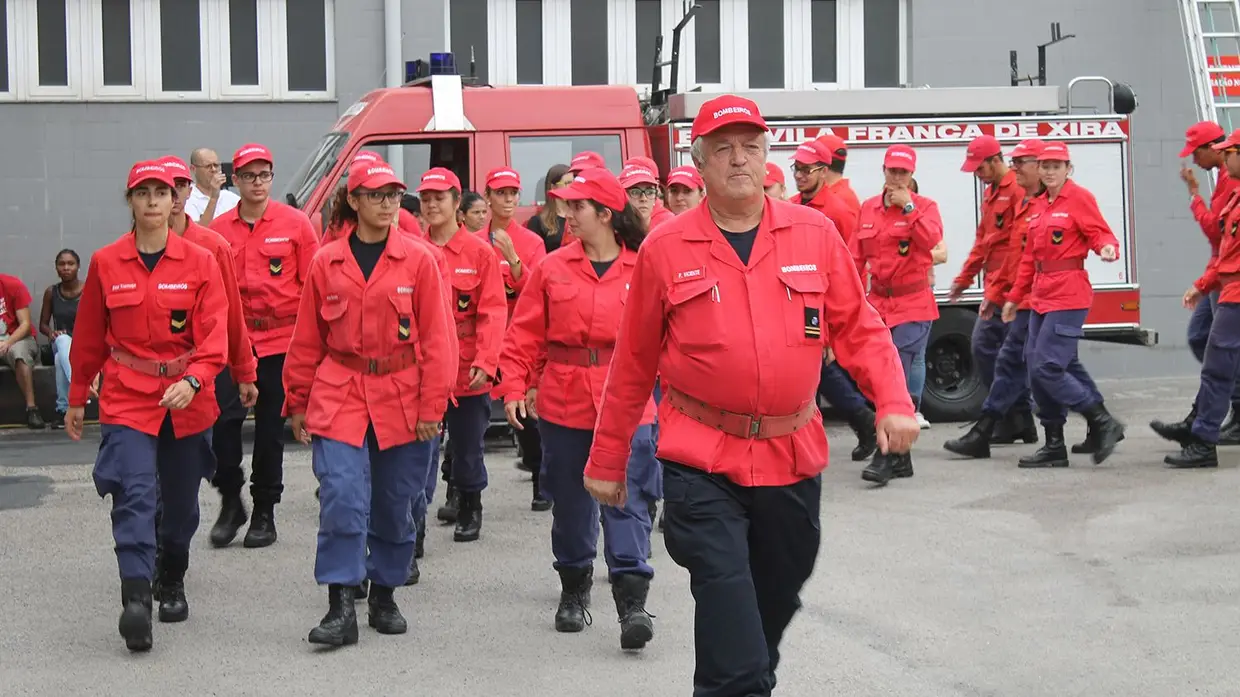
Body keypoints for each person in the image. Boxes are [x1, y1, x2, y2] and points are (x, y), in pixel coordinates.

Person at [582, 95, 920, 696]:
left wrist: (892, 399)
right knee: (726, 595)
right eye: (723, 149)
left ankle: (738, 678)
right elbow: (632, 364)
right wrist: (608, 461)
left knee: (777, 593)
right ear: (700, 161)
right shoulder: (666, 249)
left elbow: (860, 328)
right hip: (700, 459)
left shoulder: (813, 234)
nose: (739, 159)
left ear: (766, 156)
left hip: (792, 455)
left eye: (751, 146)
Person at [284, 160, 453, 646]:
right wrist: (297, 398)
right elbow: (307, 337)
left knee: (397, 503)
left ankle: (384, 592)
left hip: (402, 393)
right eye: (376, 195)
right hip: (339, 391)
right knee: (341, 496)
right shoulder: (326, 261)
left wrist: (432, 408)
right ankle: (340, 604)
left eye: (394, 195)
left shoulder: (418, 261)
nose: (387, 203)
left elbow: (439, 341)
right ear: (353, 201)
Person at [66, 160, 228, 652]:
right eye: (144, 193)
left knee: (179, 507)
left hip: (185, 396)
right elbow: (90, 335)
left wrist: (197, 380)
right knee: (134, 493)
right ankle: (135, 597)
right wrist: (76, 398)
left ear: (174, 201)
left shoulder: (200, 262)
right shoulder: (106, 261)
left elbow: (215, 333)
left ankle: (172, 576)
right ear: (131, 201)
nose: (154, 201)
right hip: (126, 396)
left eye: (162, 192)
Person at [498, 166, 658, 648]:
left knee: (627, 497)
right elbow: (523, 333)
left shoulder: (645, 265)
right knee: (569, 501)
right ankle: (574, 589)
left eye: (577, 206)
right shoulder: (551, 268)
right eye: (565, 205)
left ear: (606, 214)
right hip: (565, 398)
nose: (567, 214)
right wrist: (513, 386)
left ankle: (632, 602)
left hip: (627, 398)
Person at [209, 144, 319, 549]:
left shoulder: (296, 224)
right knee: (222, 423)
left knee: (271, 431)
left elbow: (314, 287)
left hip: (280, 341)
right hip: (234, 342)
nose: (257, 183)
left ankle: (264, 511)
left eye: (264, 175)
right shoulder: (218, 232)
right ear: (235, 181)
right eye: (249, 176)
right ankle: (230, 498)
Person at [155, 156, 262, 552]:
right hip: (159, 370)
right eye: (168, 187)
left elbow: (231, 311)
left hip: (211, 364)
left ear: (187, 192)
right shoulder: (139, 243)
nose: (176, 195)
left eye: (181, 186)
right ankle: (159, 539)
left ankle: (231, 500)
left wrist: (244, 368)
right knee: (159, 462)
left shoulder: (212, 245)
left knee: (222, 441)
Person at [1002, 141, 1125, 467]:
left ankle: (1102, 421)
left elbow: (1101, 234)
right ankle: (1054, 444)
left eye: (1057, 166)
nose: (1050, 171)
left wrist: (1107, 249)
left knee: (1048, 367)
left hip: (1069, 294)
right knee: (1035, 366)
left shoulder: (1079, 198)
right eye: (1045, 166)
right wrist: (1015, 297)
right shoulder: (1038, 204)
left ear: (1068, 169)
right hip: (1041, 295)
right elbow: (1030, 258)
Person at [416, 168, 507, 543]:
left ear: (457, 204)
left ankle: (470, 503)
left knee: (468, 446)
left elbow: (493, 312)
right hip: (422, 369)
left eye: (440, 198)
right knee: (420, 451)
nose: (432, 204)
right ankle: (413, 521)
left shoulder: (480, 253)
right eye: (426, 198)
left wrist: (486, 362)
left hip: (467, 366)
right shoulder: (411, 249)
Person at [945, 139, 1049, 458]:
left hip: (1014, 287)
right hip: (999, 283)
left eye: (978, 167)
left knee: (1001, 353)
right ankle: (1018, 419)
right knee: (997, 353)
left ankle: (1010, 418)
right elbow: (984, 241)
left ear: (993, 161)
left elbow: (1016, 249)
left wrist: (995, 292)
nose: (976, 174)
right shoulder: (992, 193)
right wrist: (964, 279)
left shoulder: (1017, 190)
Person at [851, 144, 944, 485]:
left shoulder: (924, 208)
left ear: (911, 175)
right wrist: (851, 299)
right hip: (878, 305)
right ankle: (902, 457)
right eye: (892, 171)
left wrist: (907, 207)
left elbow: (932, 239)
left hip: (913, 304)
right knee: (875, 379)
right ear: (884, 171)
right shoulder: (868, 209)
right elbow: (855, 257)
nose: (897, 177)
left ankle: (887, 455)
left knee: (896, 380)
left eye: (903, 172)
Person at [1152, 129, 1240, 467]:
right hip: (1227, 286)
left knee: (1218, 367)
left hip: (1234, 293)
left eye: (1229, 152)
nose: (1224, 157)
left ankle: (1202, 440)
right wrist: (1204, 284)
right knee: (1215, 358)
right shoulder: (1232, 193)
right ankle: (1199, 430)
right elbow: (1226, 252)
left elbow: (1223, 245)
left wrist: (1193, 194)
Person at [480, 167, 550, 510]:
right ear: (488, 197)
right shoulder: (475, 241)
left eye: (513, 193)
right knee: (469, 412)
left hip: (519, 335)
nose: (508, 199)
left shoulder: (531, 242)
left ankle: (541, 478)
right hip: (483, 337)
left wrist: (513, 260)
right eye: (501, 193)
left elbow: (539, 295)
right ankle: (461, 490)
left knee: (527, 415)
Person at [39, 249, 89, 429]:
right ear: (56, 268)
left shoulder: (88, 290)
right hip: (60, 341)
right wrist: (51, 333)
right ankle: (80, 387)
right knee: (62, 341)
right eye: (62, 264)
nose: (66, 268)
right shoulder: (51, 292)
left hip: (83, 345)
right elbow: (43, 324)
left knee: (61, 359)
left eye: (70, 264)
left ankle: (62, 410)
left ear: (78, 267)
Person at [0, 272, 45, 429]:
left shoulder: (12, 285)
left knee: (19, 354)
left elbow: (25, 325)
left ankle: (32, 409)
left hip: (18, 339)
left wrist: (7, 342)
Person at [184, 147, 242, 226]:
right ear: (193, 169)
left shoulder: (230, 197)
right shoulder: (188, 198)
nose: (214, 169)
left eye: (216, 165)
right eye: (208, 166)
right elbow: (197, 233)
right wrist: (214, 198)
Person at [527, 164, 573, 253]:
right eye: (567, 183)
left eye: (573, 182)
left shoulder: (578, 217)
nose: (571, 187)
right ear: (554, 187)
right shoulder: (538, 222)